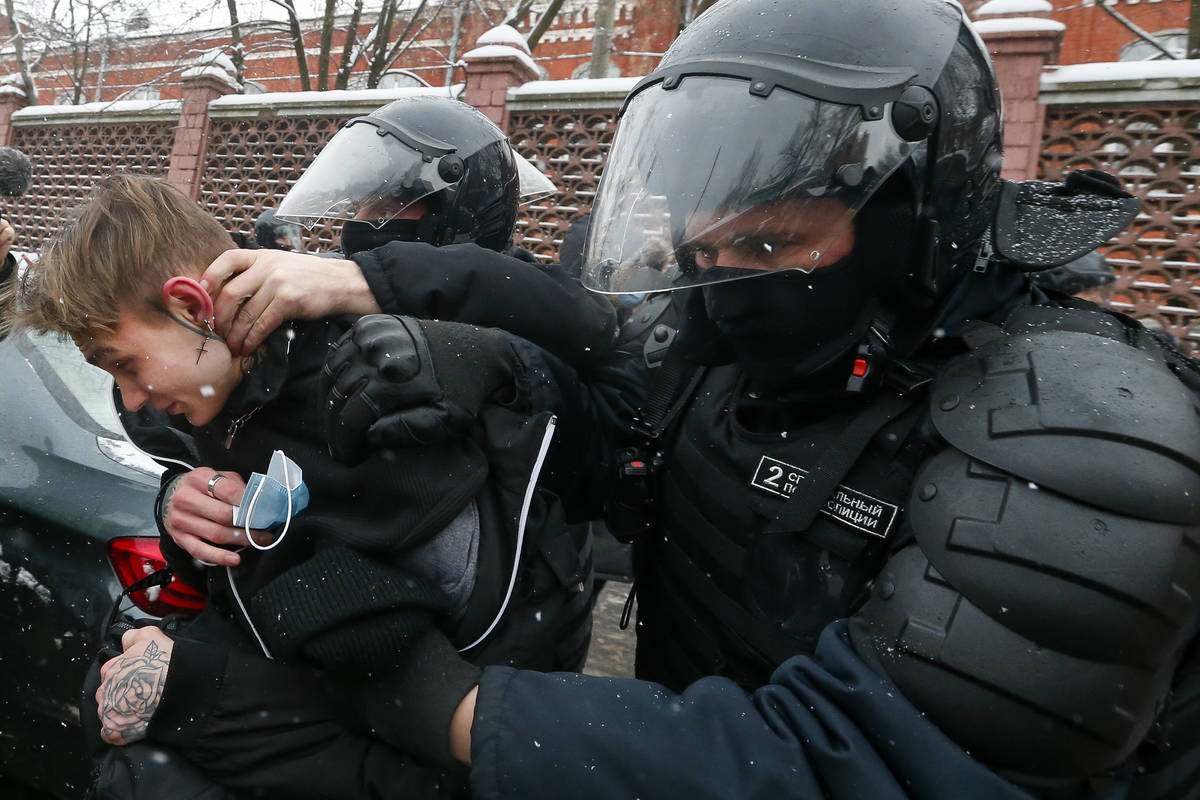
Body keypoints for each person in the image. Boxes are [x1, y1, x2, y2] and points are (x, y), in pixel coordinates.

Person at [97, 2, 1200, 798]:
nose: (725, 289)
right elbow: (604, 431)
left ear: (914, 216)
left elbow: (870, 758)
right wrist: (210, 495)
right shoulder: (744, 356)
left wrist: (444, 702)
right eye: (705, 248)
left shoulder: (1078, 424)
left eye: (771, 243)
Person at [17, 173, 594, 798]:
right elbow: (244, 580)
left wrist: (202, 683)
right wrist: (183, 514)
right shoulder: (201, 400)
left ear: (191, 305)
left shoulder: (380, 373)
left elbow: (603, 341)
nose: (131, 399)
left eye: (124, 364)